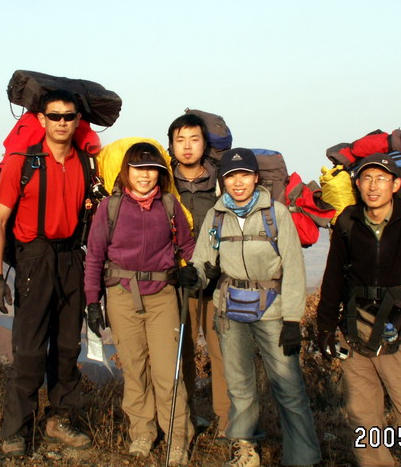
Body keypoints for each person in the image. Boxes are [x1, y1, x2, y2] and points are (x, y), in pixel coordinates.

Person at [181, 148, 322, 467]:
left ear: (256, 178)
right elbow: (203, 260)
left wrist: (292, 320)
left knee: (289, 388)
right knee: (239, 387)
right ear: (223, 181)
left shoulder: (276, 213)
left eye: (244, 175)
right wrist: (194, 275)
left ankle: (303, 457)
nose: (238, 182)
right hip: (229, 311)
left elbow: (294, 267)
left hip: (273, 311)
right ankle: (246, 451)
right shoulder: (217, 216)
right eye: (231, 176)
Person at [316, 153, 401, 466]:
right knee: (362, 416)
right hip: (354, 329)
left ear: (396, 185)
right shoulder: (348, 222)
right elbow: (333, 278)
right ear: (358, 184)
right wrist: (325, 327)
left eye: (381, 179)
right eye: (366, 179)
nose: (373, 186)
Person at [0, 90, 93, 456]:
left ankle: (59, 420)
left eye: (69, 116)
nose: (62, 122)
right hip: (34, 257)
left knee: (67, 346)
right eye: (55, 116)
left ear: (78, 120)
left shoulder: (86, 163)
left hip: (71, 257)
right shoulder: (23, 162)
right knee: (30, 349)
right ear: (42, 120)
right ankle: (16, 431)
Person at [84, 142, 196, 466]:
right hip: (121, 296)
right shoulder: (110, 207)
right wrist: (93, 303)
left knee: (167, 371)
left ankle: (177, 439)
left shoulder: (170, 205)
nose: (145, 175)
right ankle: (142, 433)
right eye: (138, 168)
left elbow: (188, 245)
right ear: (126, 171)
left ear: (160, 173)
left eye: (151, 169)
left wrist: (195, 269)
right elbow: (94, 257)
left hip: (163, 296)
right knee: (134, 369)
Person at [167, 113, 230, 437]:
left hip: (218, 282)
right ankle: (186, 418)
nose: (187, 146)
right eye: (180, 140)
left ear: (205, 144)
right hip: (180, 284)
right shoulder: (165, 183)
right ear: (171, 145)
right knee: (184, 352)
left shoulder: (221, 183)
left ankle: (227, 423)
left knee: (222, 352)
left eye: (194, 139)